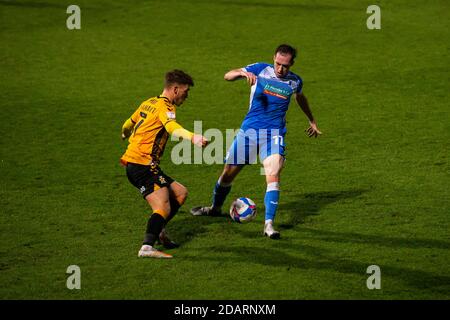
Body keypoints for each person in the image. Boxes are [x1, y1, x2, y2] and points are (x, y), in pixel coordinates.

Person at [191, 44, 321, 239]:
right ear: (273, 59)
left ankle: (269, 225)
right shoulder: (261, 69)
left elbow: (299, 98)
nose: (280, 69)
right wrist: (242, 74)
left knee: (273, 174)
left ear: (291, 64)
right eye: (277, 63)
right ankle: (215, 208)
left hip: (274, 135)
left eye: (285, 65)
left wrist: (311, 120)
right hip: (249, 132)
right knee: (227, 175)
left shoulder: (295, 82)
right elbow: (228, 75)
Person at [121, 70, 208, 258]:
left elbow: (129, 123)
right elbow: (171, 127)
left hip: (141, 163)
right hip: (141, 164)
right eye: (186, 91)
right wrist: (193, 137)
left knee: (180, 193)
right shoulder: (166, 107)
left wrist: (125, 133)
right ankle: (147, 247)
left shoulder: (149, 102)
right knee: (163, 206)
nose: (187, 96)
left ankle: (159, 229)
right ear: (175, 89)